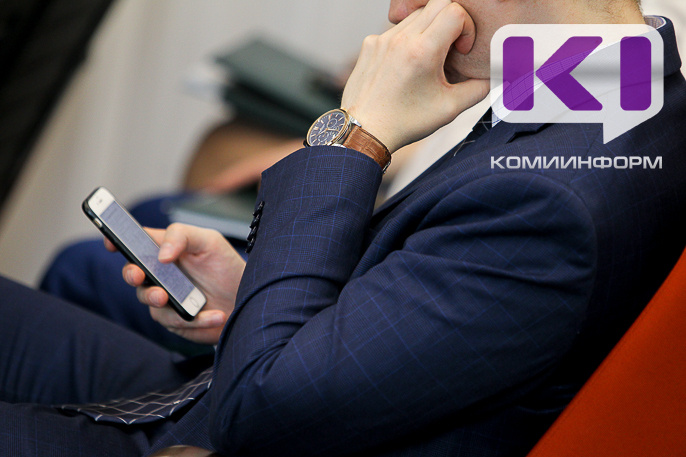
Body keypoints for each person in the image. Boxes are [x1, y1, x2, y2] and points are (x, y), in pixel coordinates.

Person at [2, 1, 686, 456]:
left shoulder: (552, 204)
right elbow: (440, 306)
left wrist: (357, 132)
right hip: (239, 394)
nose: (398, 13)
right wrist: (256, 292)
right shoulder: (632, 86)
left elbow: (257, 409)